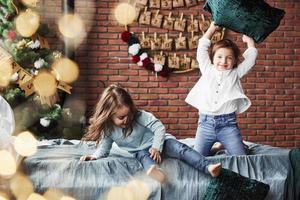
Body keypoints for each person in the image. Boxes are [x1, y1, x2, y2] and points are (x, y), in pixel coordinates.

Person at [80, 84, 222, 183]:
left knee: (181, 149)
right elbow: (104, 148)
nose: (126, 120)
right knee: (144, 159)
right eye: (121, 118)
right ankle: (156, 173)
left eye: (128, 115)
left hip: (161, 142)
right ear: (108, 115)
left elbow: (159, 128)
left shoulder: (140, 116)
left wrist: (156, 147)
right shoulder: (108, 129)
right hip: (141, 151)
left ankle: (208, 167)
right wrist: (94, 157)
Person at [185, 22, 258, 156]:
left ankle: (235, 146)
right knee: (198, 158)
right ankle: (217, 148)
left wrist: (250, 42)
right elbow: (201, 47)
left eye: (229, 58)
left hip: (228, 125)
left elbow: (250, 61)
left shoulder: (236, 73)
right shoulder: (207, 69)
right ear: (212, 58)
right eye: (219, 57)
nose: (223, 61)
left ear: (235, 60)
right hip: (205, 125)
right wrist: (213, 28)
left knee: (241, 157)